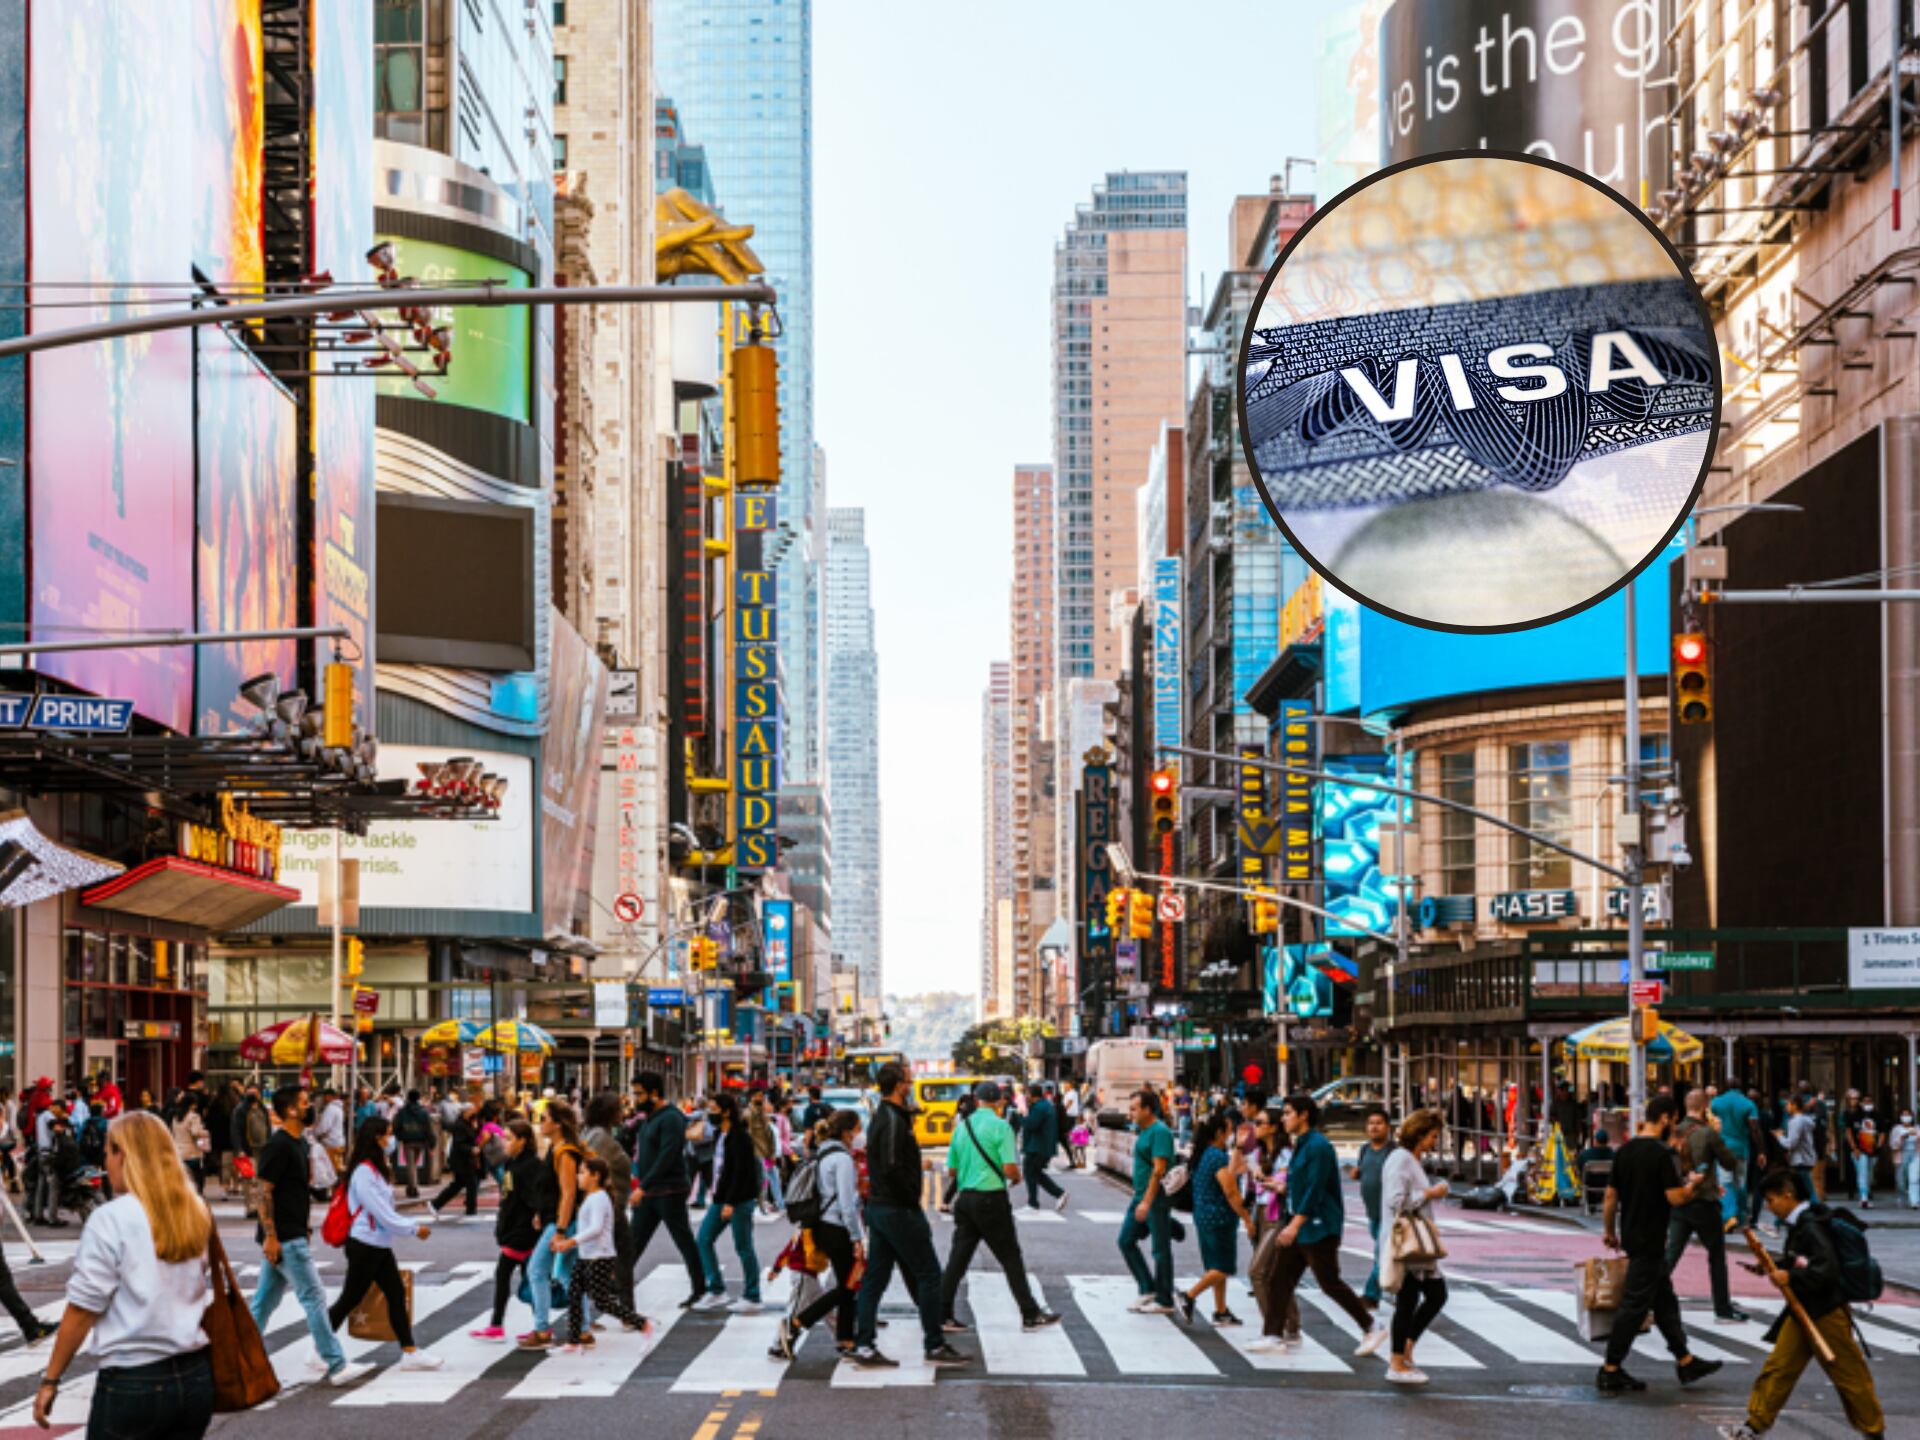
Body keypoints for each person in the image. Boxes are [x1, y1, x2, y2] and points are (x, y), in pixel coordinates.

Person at [33, 1113, 214, 1436]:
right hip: (194, 1374)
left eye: (107, 1152)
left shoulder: (110, 1218)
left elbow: (82, 1309)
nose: (106, 1163)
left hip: (134, 1379)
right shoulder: (193, 1209)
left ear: (124, 1154)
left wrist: (51, 1379)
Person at [1716, 1168, 1886, 1440]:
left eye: (1771, 1201)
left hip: (1826, 1312)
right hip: (1804, 1310)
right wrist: (1775, 1267)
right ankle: (1753, 1427)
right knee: (1779, 1367)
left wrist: (1790, 1276)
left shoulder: (1810, 1225)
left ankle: (1874, 1431)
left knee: (1849, 1375)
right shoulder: (1805, 1222)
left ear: (1788, 1194)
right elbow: (1805, 1259)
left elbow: (1825, 1270)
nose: (1770, 1208)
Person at [1598, 1094, 1722, 1394]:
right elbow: (1675, 1198)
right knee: (1634, 1306)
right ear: (1665, 1118)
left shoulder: (1624, 1151)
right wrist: (1695, 1185)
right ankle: (1610, 1368)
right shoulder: (1662, 1154)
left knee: (1664, 1301)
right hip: (1651, 1237)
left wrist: (1609, 1230)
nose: (1674, 1126)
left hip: (1632, 1234)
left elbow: (1610, 1196)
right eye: (1673, 1120)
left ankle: (1686, 1360)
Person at [851, 1063, 968, 1369]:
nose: (912, 1085)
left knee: (875, 1278)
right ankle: (934, 1344)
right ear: (900, 1086)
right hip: (896, 1209)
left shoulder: (884, 1117)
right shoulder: (890, 1120)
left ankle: (864, 1345)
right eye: (909, 1081)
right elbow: (891, 1166)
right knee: (929, 1274)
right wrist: (910, 1200)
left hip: (881, 1207)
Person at [249, 1085, 367, 1388]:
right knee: (313, 1297)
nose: (310, 1106)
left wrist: (304, 1225)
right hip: (285, 1237)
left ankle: (242, 1354)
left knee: (263, 1302)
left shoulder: (298, 1143)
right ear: (290, 1110)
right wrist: (271, 1236)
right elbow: (264, 1191)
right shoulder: (279, 1146)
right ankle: (336, 1363)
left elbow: (293, 1191)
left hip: (291, 1232)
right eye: (304, 1103)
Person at [1249, 1094, 1381, 1355]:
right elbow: (1303, 1184)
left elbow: (1315, 1189)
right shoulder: (1304, 1144)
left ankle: (1371, 1325)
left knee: (1329, 1282)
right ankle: (1273, 1335)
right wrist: (1282, 1187)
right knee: (1279, 1279)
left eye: (1288, 1113)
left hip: (1318, 1227)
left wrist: (1294, 1225)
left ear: (1303, 1115)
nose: (1284, 1118)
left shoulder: (1318, 1146)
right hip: (1303, 1226)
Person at [939, 1081, 1061, 1335]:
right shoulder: (1001, 1127)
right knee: (1010, 1258)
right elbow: (1009, 1168)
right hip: (991, 1200)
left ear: (976, 1099)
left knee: (957, 1260)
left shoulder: (962, 1127)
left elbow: (951, 1169)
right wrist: (1016, 1178)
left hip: (965, 1200)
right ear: (999, 1102)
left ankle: (942, 1314)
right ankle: (1030, 1314)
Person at [323, 1115, 441, 1370]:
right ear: (376, 1138)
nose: (392, 1139)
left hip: (377, 1244)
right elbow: (380, 1212)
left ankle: (409, 1352)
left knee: (395, 1295)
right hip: (365, 1244)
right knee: (350, 1298)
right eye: (388, 1134)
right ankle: (320, 1348)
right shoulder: (364, 1172)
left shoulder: (375, 1168)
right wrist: (412, 1229)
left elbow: (383, 1209)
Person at [773, 1108, 865, 1359]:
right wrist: (857, 1237)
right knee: (847, 1285)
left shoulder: (824, 1152)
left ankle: (846, 1339)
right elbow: (846, 1203)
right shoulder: (843, 1159)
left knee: (848, 1284)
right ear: (847, 1132)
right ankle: (797, 1323)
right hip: (837, 1228)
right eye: (858, 1129)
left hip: (822, 1226)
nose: (860, 1134)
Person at [1377, 1109, 1451, 1385]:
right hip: (1406, 1242)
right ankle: (1397, 1360)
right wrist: (1431, 1193)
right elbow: (1397, 1201)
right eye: (1432, 1136)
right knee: (1409, 1300)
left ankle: (1405, 1351)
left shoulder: (1409, 1159)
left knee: (1434, 1295)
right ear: (1419, 1135)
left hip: (1417, 1243)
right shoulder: (1401, 1160)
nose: (1434, 1141)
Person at [551, 1156, 652, 1352]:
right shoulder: (593, 1197)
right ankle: (573, 1341)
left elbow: (596, 1228)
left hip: (600, 1256)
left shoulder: (599, 1198)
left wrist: (571, 1242)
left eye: (582, 1172)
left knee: (602, 1301)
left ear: (595, 1176)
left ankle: (643, 1324)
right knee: (574, 1294)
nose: (578, 1176)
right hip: (587, 1256)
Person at [1668, 1087, 1749, 1324]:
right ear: (1705, 1107)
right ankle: (1722, 1309)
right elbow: (1730, 1162)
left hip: (1679, 1200)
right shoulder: (1708, 1133)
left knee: (1671, 1255)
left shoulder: (1673, 1132)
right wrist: (1718, 1134)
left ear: (1685, 1107)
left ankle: (1647, 1300)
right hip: (1704, 1200)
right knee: (1716, 1257)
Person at [628, 1072, 706, 1309]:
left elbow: (667, 1156)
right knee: (633, 1241)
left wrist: (643, 1185)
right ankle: (618, 1285)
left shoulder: (671, 1118)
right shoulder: (649, 1118)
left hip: (669, 1190)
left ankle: (700, 1288)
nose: (636, 1098)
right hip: (651, 1189)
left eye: (640, 1093)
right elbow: (646, 1154)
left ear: (654, 1093)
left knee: (683, 1239)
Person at [517, 1101, 585, 1349]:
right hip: (556, 1220)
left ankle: (543, 1330)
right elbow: (552, 1191)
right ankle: (584, 1329)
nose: (540, 1123)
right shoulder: (555, 1149)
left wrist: (559, 1229)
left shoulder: (564, 1152)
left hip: (561, 1222)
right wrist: (540, 1213)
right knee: (568, 1274)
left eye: (544, 1118)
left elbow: (568, 1194)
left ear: (557, 1123)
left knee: (536, 1270)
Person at [1177, 1114, 1253, 1328]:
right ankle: (1189, 1296)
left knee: (1215, 1266)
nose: (1230, 1135)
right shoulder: (1217, 1157)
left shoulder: (1202, 1154)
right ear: (1219, 1133)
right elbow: (1231, 1192)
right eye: (1229, 1130)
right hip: (1219, 1218)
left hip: (1203, 1216)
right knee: (1223, 1267)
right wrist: (1247, 1219)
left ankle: (1221, 1311)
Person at [471, 1120, 542, 1342]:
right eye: (504, 1137)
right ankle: (536, 1326)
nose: (504, 1142)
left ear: (523, 1141)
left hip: (522, 1232)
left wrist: (516, 1227)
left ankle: (503, 1325)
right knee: (526, 1278)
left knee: (516, 1277)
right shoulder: (513, 1163)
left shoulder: (530, 1166)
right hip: (515, 1229)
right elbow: (508, 1197)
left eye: (509, 1138)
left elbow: (530, 1200)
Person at [693, 1093, 764, 1312]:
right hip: (721, 1198)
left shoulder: (740, 1136)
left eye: (713, 1109)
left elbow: (741, 1172)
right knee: (703, 1239)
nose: (710, 1113)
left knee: (743, 1247)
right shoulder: (718, 1135)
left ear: (726, 1111)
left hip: (738, 1200)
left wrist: (730, 1202)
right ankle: (716, 1290)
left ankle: (753, 1295)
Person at [1115, 1088, 1177, 1315]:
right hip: (1140, 1197)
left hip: (1154, 1199)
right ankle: (1147, 1287)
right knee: (1125, 1240)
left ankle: (1164, 1298)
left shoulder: (1159, 1132)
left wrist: (1147, 1202)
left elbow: (1159, 1169)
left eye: (1134, 1108)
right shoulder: (1144, 1131)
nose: (1130, 1113)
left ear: (1148, 1110)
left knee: (1160, 1249)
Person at [580, 1092, 635, 1300]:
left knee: (609, 1254)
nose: (623, 1113)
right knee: (624, 1253)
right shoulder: (599, 1138)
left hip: (609, 1203)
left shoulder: (596, 1133)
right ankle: (626, 1309)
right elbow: (593, 1171)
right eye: (619, 1110)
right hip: (609, 1204)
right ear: (610, 1113)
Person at [1347, 1106, 1394, 1305]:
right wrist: (1357, 1174)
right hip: (1372, 1212)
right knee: (1387, 1254)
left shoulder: (1394, 1151)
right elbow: (1365, 1172)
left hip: (1389, 1212)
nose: (1374, 1128)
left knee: (1381, 1254)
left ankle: (1371, 1295)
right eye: (1371, 1124)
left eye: (1379, 1123)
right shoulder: (1365, 1149)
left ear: (1388, 1127)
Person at [1711, 1082, 1765, 1230]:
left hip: (1722, 1148)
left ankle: (1729, 1215)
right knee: (1740, 1182)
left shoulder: (1715, 1102)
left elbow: (1710, 1125)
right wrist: (1761, 1151)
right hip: (1741, 1149)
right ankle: (1741, 1216)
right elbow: (1755, 1129)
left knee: (1725, 1181)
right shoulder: (1748, 1104)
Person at [1019, 1083, 1068, 1213]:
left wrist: (1021, 1116)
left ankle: (1035, 1203)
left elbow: (1031, 1124)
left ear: (1032, 1095)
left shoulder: (1040, 1108)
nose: (1026, 1096)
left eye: (1027, 1094)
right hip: (1042, 1146)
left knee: (1030, 1172)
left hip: (1037, 1146)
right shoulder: (1044, 1105)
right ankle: (1055, 1195)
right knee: (1034, 1173)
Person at [430, 1102, 482, 1220]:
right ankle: (471, 1210)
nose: (474, 1112)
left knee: (458, 1185)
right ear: (465, 1111)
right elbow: (459, 1144)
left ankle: (435, 1204)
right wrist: (471, 1149)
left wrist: (475, 1128)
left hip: (465, 1160)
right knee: (470, 1183)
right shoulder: (460, 1125)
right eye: (472, 1110)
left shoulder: (468, 1123)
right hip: (461, 1160)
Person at [392, 1090, 435, 1199]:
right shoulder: (424, 1112)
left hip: (407, 1141)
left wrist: (399, 1137)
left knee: (411, 1165)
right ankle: (411, 1187)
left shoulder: (402, 1112)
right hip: (420, 1141)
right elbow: (429, 1129)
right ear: (418, 1098)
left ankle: (413, 1187)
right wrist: (432, 1144)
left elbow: (396, 1126)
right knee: (413, 1165)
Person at [1841, 1090, 1878, 1209]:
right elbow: (1848, 1131)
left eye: (1856, 1098)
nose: (1854, 1101)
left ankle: (1865, 1193)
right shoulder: (1847, 1114)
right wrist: (1854, 1148)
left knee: (1868, 1172)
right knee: (1862, 1172)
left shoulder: (1866, 1113)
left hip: (1869, 1147)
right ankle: (1863, 1197)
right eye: (1851, 1098)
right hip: (1857, 1148)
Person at [168, 1092, 209, 1196]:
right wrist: (205, 1132)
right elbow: (195, 1133)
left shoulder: (176, 1117)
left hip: (179, 1153)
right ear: (192, 1104)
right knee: (196, 1181)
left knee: (183, 1181)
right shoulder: (194, 1117)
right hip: (192, 1154)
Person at [1779, 1094, 1818, 1201]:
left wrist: (1779, 1137)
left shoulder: (1796, 1122)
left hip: (1800, 1160)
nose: (1786, 1106)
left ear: (1794, 1105)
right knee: (1804, 1191)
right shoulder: (1805, 1120)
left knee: (1809, 1192)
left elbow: (1791, 1143)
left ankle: (1819, 1212)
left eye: (1788, 1104)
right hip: (1805, 1159)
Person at [1890, 1107, 1920, 1209]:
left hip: (1915, 1155)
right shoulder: (1896, 1129)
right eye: (1904, 1115)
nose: (1906, 1117)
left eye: (1908, 1115)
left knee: (1914, 1179)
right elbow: (1893, 1145)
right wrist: (1903, 1137)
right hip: (1901, 1155)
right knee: (1901, 1180)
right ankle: (1902, 1197)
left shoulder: (1917, 1128)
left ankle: (1914, 1201)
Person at [313, 1088, 347, 1175]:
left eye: (323, 1097)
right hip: (338, 1142)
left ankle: (335, 1188)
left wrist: (315, 1132)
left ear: (328, 1097)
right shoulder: (338, 1108)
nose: (321, 1100)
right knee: (337, 1169)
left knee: (331, 1172)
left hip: (331, 1144)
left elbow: (324, 1127)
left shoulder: (331, 1108)